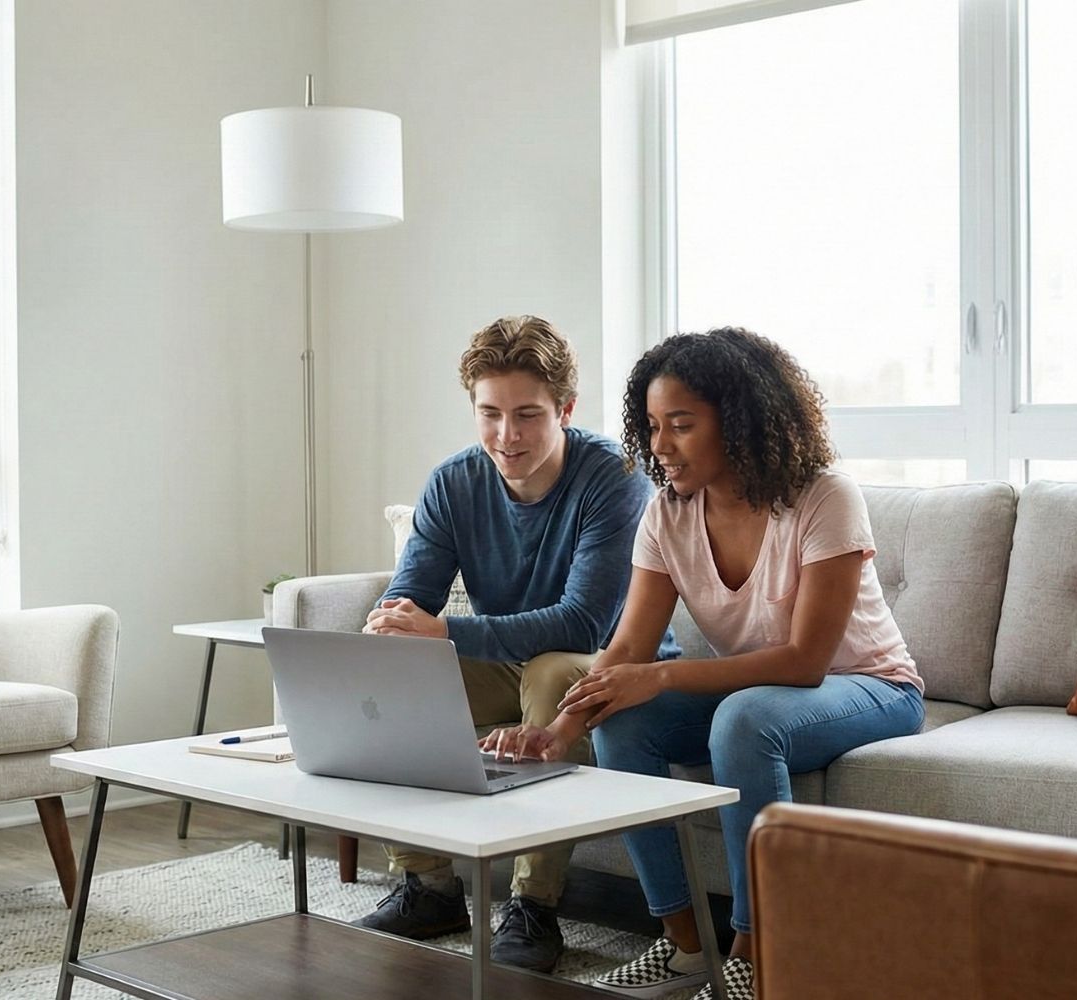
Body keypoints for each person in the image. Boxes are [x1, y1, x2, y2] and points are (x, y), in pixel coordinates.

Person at [482, 328, 924, 1000]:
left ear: (740, 421)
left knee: (743, 722)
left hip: (869, 687)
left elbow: (806, 661)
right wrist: (560, 733)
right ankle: (686, 948)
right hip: (762, 691)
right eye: (654, 426)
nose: (660, 446)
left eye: (682, 425)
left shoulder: (824, 496)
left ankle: (756, 956)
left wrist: (660, 676)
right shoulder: (668, 513)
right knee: (624, 724)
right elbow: (627, 650)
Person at [356, 314, 679, 973]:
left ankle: (533, 905)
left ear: (566, 407)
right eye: (490, 414)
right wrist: (390, 625)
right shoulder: (454, 482)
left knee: (554, 671)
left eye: (528, 414)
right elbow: (410, 594)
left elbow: (584, 623)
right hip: (509, 662)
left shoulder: (615, 479)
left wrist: (444, 630)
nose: (507, 436)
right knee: (394, 666)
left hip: (609, 664)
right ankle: (429, 887)